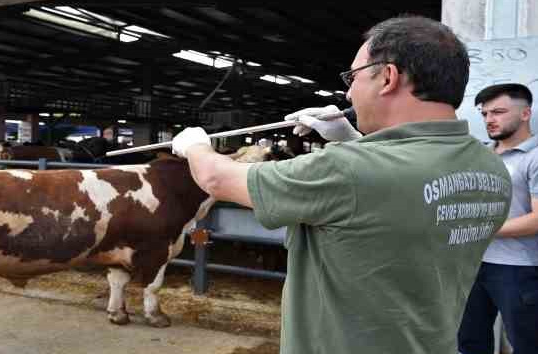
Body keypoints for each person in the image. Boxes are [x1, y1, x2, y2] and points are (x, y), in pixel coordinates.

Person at [172, 16, 512, 354]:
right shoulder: (490, 168)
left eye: (353, 77)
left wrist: (195, 146)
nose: (349, 91)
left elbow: (218, 178)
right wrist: (354, 138)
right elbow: (394, 198)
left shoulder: (346, 170)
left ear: (388, 77)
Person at [457, 83, 538, 354]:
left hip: (519, 268)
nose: (490, 119)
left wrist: (479, 230)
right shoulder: (482, 155)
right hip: (473, 263)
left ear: (525, 114)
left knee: (528, 346)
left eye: (498, 112)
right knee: (469, 342)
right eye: (485, 113)